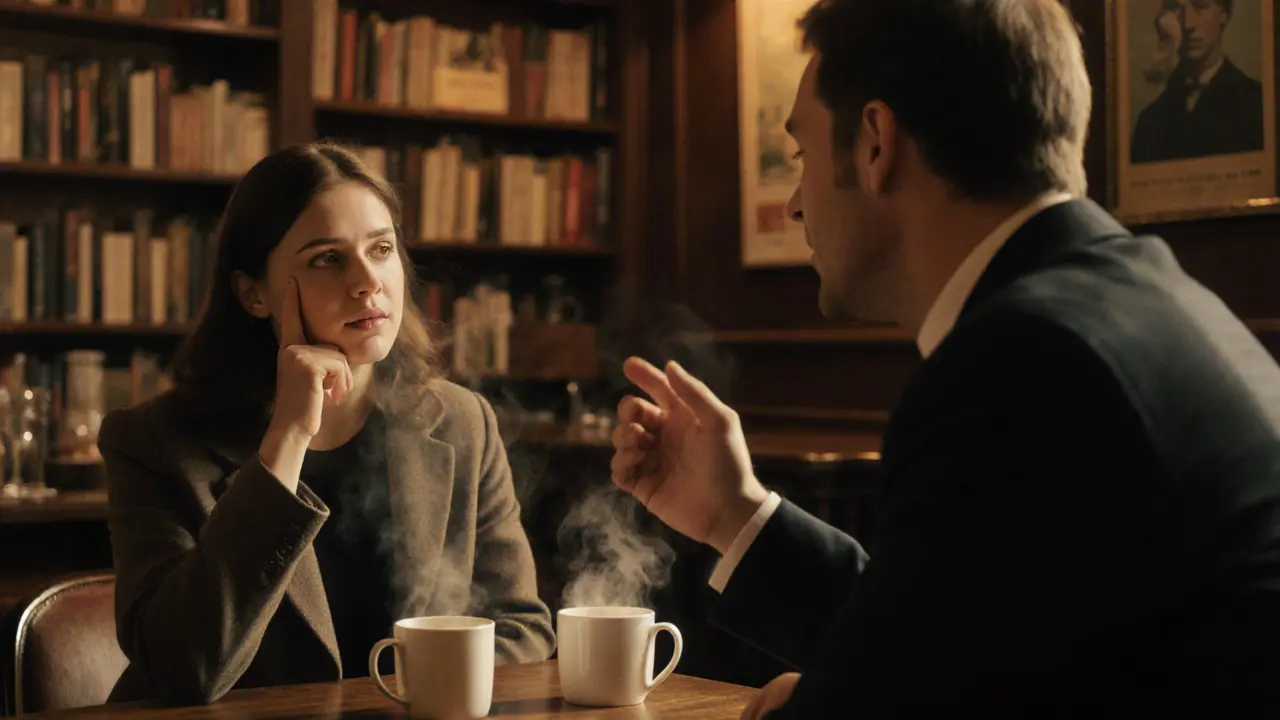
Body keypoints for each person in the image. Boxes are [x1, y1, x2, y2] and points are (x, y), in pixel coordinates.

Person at [610, 0, 1280, 715]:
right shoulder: (1140, 305)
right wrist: (732, 514)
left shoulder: (1023, 363)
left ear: (876, 142)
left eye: (802, 155)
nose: (797, 204)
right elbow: (947, 637)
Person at [101, 142, 554, 704]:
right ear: (254, 293)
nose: (368, 282)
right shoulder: (152, 442)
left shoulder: (462, 423)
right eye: (327, 258)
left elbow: (523, 630)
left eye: (381, 249)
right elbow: (182, 668)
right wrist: (285, 441)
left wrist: (415, 689)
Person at [1131, 0, 1264, 163]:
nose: (1188, 24)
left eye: (1200, 6)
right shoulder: (1149, 124)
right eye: (1176, 9)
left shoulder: (1258, 106)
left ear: (1224, 13)